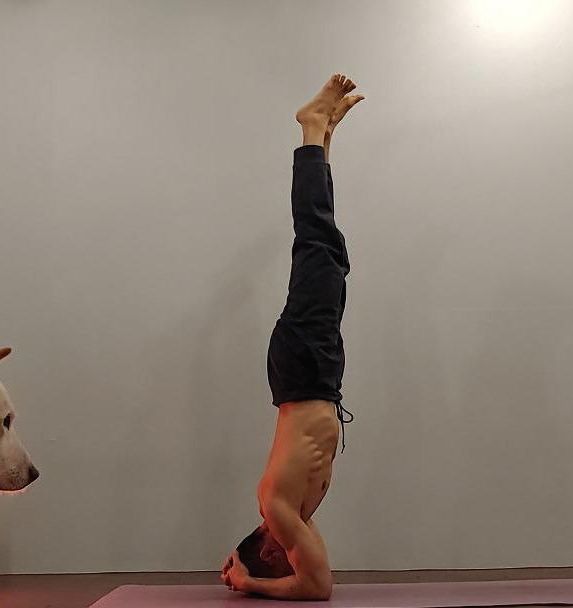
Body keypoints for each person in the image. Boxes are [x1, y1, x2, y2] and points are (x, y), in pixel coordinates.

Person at [221, 74, 364, 601]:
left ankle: (310, 128)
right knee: (330, 252)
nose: (298, 552)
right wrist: (244, 568)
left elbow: (316, 587)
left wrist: (248, 583)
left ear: (272, 550)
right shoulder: (294, 515)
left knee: (318, 243)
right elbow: (312, 575)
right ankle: (321, 137)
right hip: (316, 376)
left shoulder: (277, 507)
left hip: (304, 368)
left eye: (285, 555)